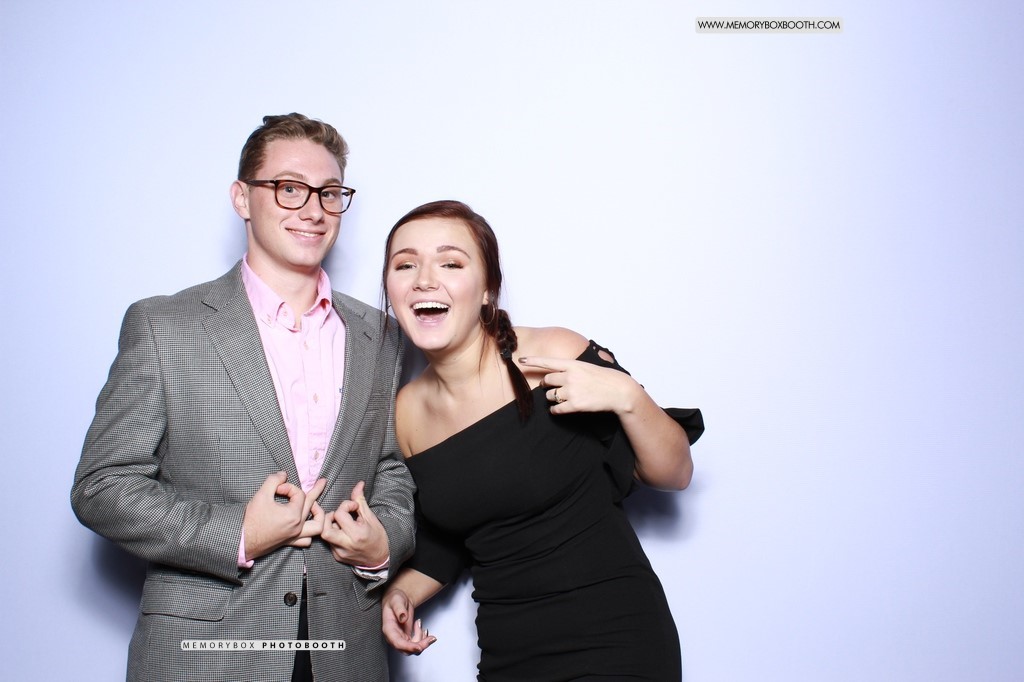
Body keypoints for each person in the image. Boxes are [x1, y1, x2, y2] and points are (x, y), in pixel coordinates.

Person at [71, 113, 416, 682]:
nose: (313, 210)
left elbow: (390, 469)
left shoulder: (380, 334)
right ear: (242, 198)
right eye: (289, 188)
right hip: (206, 654)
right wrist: (238, 534)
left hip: (345, 652)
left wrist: (383, 544)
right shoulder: (165, 325)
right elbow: (102, 487)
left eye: (329, 193)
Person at [378, 200, 704, 681]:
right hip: (509, 655)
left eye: (450, 263)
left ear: (488, 289)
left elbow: (675, 473)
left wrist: (627, 396)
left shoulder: (554, 354)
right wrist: (401, 593)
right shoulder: (405, 412)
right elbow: (453, 536)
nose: (425, 279)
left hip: (616, 641)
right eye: (406, 265)